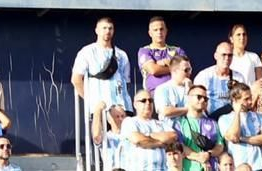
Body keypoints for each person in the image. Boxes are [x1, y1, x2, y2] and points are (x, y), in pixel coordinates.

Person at [72, 17, 132, 148]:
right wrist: (90, 100)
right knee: (102, 142)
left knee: (127, 141)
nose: (107, 31)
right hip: (100, 106)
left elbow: (126, 81)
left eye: (110, 28)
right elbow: (76, 79)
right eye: (104, 28)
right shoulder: (87, 52)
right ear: (97, 30)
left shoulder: (122, 55)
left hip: (122, 106)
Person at [220, 84, 262, 171]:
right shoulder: (224, 119)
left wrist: (241, 138)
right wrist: (237, 113)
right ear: (235, 100)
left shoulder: (260, 117)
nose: (250, 102)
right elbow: (233, 137)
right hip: (238, 165)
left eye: (250, 98)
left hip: (258, 166)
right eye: (246, 99)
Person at [121, 90, 178, 171]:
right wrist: (162, 143)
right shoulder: (129, 121)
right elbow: (138, 140)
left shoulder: (161, 124)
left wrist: (148, 136)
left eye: (150, 100)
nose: (148, 103)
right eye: (143, 101)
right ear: (135, 104)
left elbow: (173, 137)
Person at [173, 85, 225, 171]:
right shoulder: (179, 123)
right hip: (189, 168)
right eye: (199, 97)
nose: (203, 100)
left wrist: (208, 154)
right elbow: (180, 146)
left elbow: (220, 146)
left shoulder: (213, 123)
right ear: (189, 98)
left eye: (206, 99)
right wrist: (199, 158)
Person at [141, 20, 188, 95]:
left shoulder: (177, 50)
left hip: (177, 93)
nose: (159, 32)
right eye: (155, 30)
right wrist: (174, 66)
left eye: (161, 29)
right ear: (150, 33)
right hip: (154, 95)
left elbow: (185, 70)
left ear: (166, 31)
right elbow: (154, 70)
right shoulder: (145, 50)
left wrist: (161, 65)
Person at [198, 46, 240, 118]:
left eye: (230, 55)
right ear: (216, 56)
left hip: (231, 120)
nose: (227, 58)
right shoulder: (204, 75)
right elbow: (196, 100)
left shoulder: (238, 77)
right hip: (209, 120)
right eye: (223, 55)